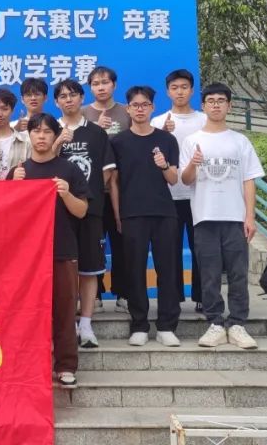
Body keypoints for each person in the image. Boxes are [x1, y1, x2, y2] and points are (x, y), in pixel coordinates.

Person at [179, 83, 265, 350]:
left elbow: (249, 180)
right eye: (211, 101)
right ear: (203, 106)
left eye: (221, 100)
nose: (216, 105)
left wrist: (249, 217)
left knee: (238, 273)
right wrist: (193, 163)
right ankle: (215, 323)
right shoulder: (192, 140)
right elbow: (185, 179)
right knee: (209, 274)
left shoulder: (240, 141)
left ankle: (237, 323)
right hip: (204, 217)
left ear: (229, 105)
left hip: (234, 217)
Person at [10, 113, 88, 389]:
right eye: (36, 131)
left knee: (65, 310)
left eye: (46, 132)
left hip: (62, 251)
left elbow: (82, 211)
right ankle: (29, 363)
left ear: (55, 136)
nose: (41, 136)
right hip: (26, 256)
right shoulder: (19, 171)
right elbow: (6, 216)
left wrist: (66, 194)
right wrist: (14, 187)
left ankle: (66, 365)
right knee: (27, 312)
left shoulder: (69, 170)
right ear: (29, 135)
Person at [109, 86, 182, 347]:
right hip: (132, 214)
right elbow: (114, 182)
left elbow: (173, 179)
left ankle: (166, 326)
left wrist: (164, 165)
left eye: (145, 105)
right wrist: (118, 214)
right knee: (134, 270)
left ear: (152, 108)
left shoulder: (167, 140)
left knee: (167, 270)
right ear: (128, 109)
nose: (140, 109)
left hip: (164, 213)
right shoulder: (118, 142)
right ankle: (139, 324)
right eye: (135, 105)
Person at [53, 79, 115, 348]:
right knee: (61, 270)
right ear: (56, 102)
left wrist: (86, 193)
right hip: (57, 213)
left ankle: (87, 324)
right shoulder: (50, 129)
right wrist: (57, 142)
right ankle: (65, 323)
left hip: (90, 211)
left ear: (81, 98)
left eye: (73, 94)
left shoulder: (97, 133)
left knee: (89, 269)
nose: (68, 99)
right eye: (62, 96)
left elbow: (107, 171)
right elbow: (42, 162)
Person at [152, 69, 208, 311]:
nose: (180, 92)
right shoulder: (157, 122)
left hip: (198, 195)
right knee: (169, 249)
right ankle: (173, 298)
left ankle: (202, 296)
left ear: (192, 90)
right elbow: (151, 156)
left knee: (201, 248)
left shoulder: (204, 120)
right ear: (168, 92)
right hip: (168, 196)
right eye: (174, 88)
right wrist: (163, 134)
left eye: (184, 87)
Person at [84, 66, 132, 312]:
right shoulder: (83, 114)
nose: (101, 87)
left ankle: (123, 292)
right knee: (93, 244)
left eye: (105, 82)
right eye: (95, 83)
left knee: (122, 241)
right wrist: (96, 129)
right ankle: (96, 295)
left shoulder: (127, 112)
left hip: (123, 190)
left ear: (114, 84)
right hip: (92, 191)